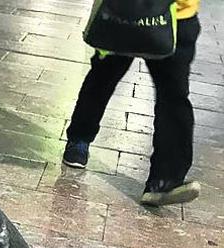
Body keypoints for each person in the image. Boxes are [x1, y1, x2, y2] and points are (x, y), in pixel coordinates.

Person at [63, 0, 202, 206]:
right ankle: (79, 139)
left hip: (177, 16)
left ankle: (164, 181)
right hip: (122, 11)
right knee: (102, 77)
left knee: (174, 96)